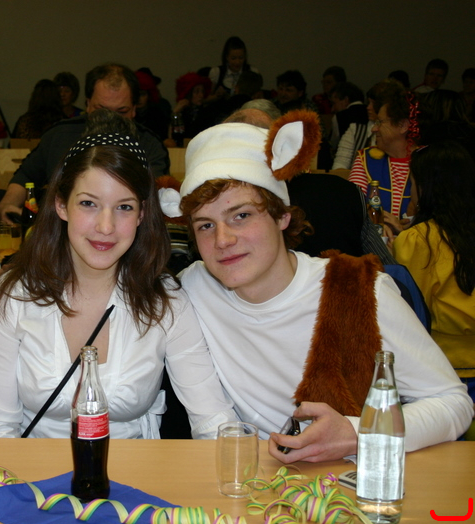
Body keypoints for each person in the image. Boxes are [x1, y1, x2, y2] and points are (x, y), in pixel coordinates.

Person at [161, 110, 472, 463]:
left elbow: (453, 403)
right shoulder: (192, 291)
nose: (223, 240)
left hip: (351, 479)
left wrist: (359, 433)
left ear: (282, 215)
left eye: (242, 215)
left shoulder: (359, 290)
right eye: (205, 225)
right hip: (259, 479)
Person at [0, 132, 236, 439]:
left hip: (135, 467)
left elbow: (212, 420)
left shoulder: (165, 299)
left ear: (142, 214)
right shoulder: (13, 296)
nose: (106, 227)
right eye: (88, 204)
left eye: (124, 207)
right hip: (33, 468)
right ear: (61, 205)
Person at [0, 63, 170, 223]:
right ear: (88, 105)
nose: (111, 119)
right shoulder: (59, 136)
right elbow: (26, 176)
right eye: (101, 110)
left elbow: (153, 203)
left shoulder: (150, 146)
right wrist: (7, 205)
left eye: (121, 111)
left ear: (134, 109)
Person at [393, 141, 475, 401]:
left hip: (446, 366)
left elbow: (413, 315)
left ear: (426, 188)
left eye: (412, 183)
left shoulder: (420, 240)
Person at [349, 79, 419, 220]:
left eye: (380, 122)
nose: (374, 129)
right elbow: (352, 208)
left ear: (403, 126)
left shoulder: (427, 160)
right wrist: (381, 223)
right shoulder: (366, 159)